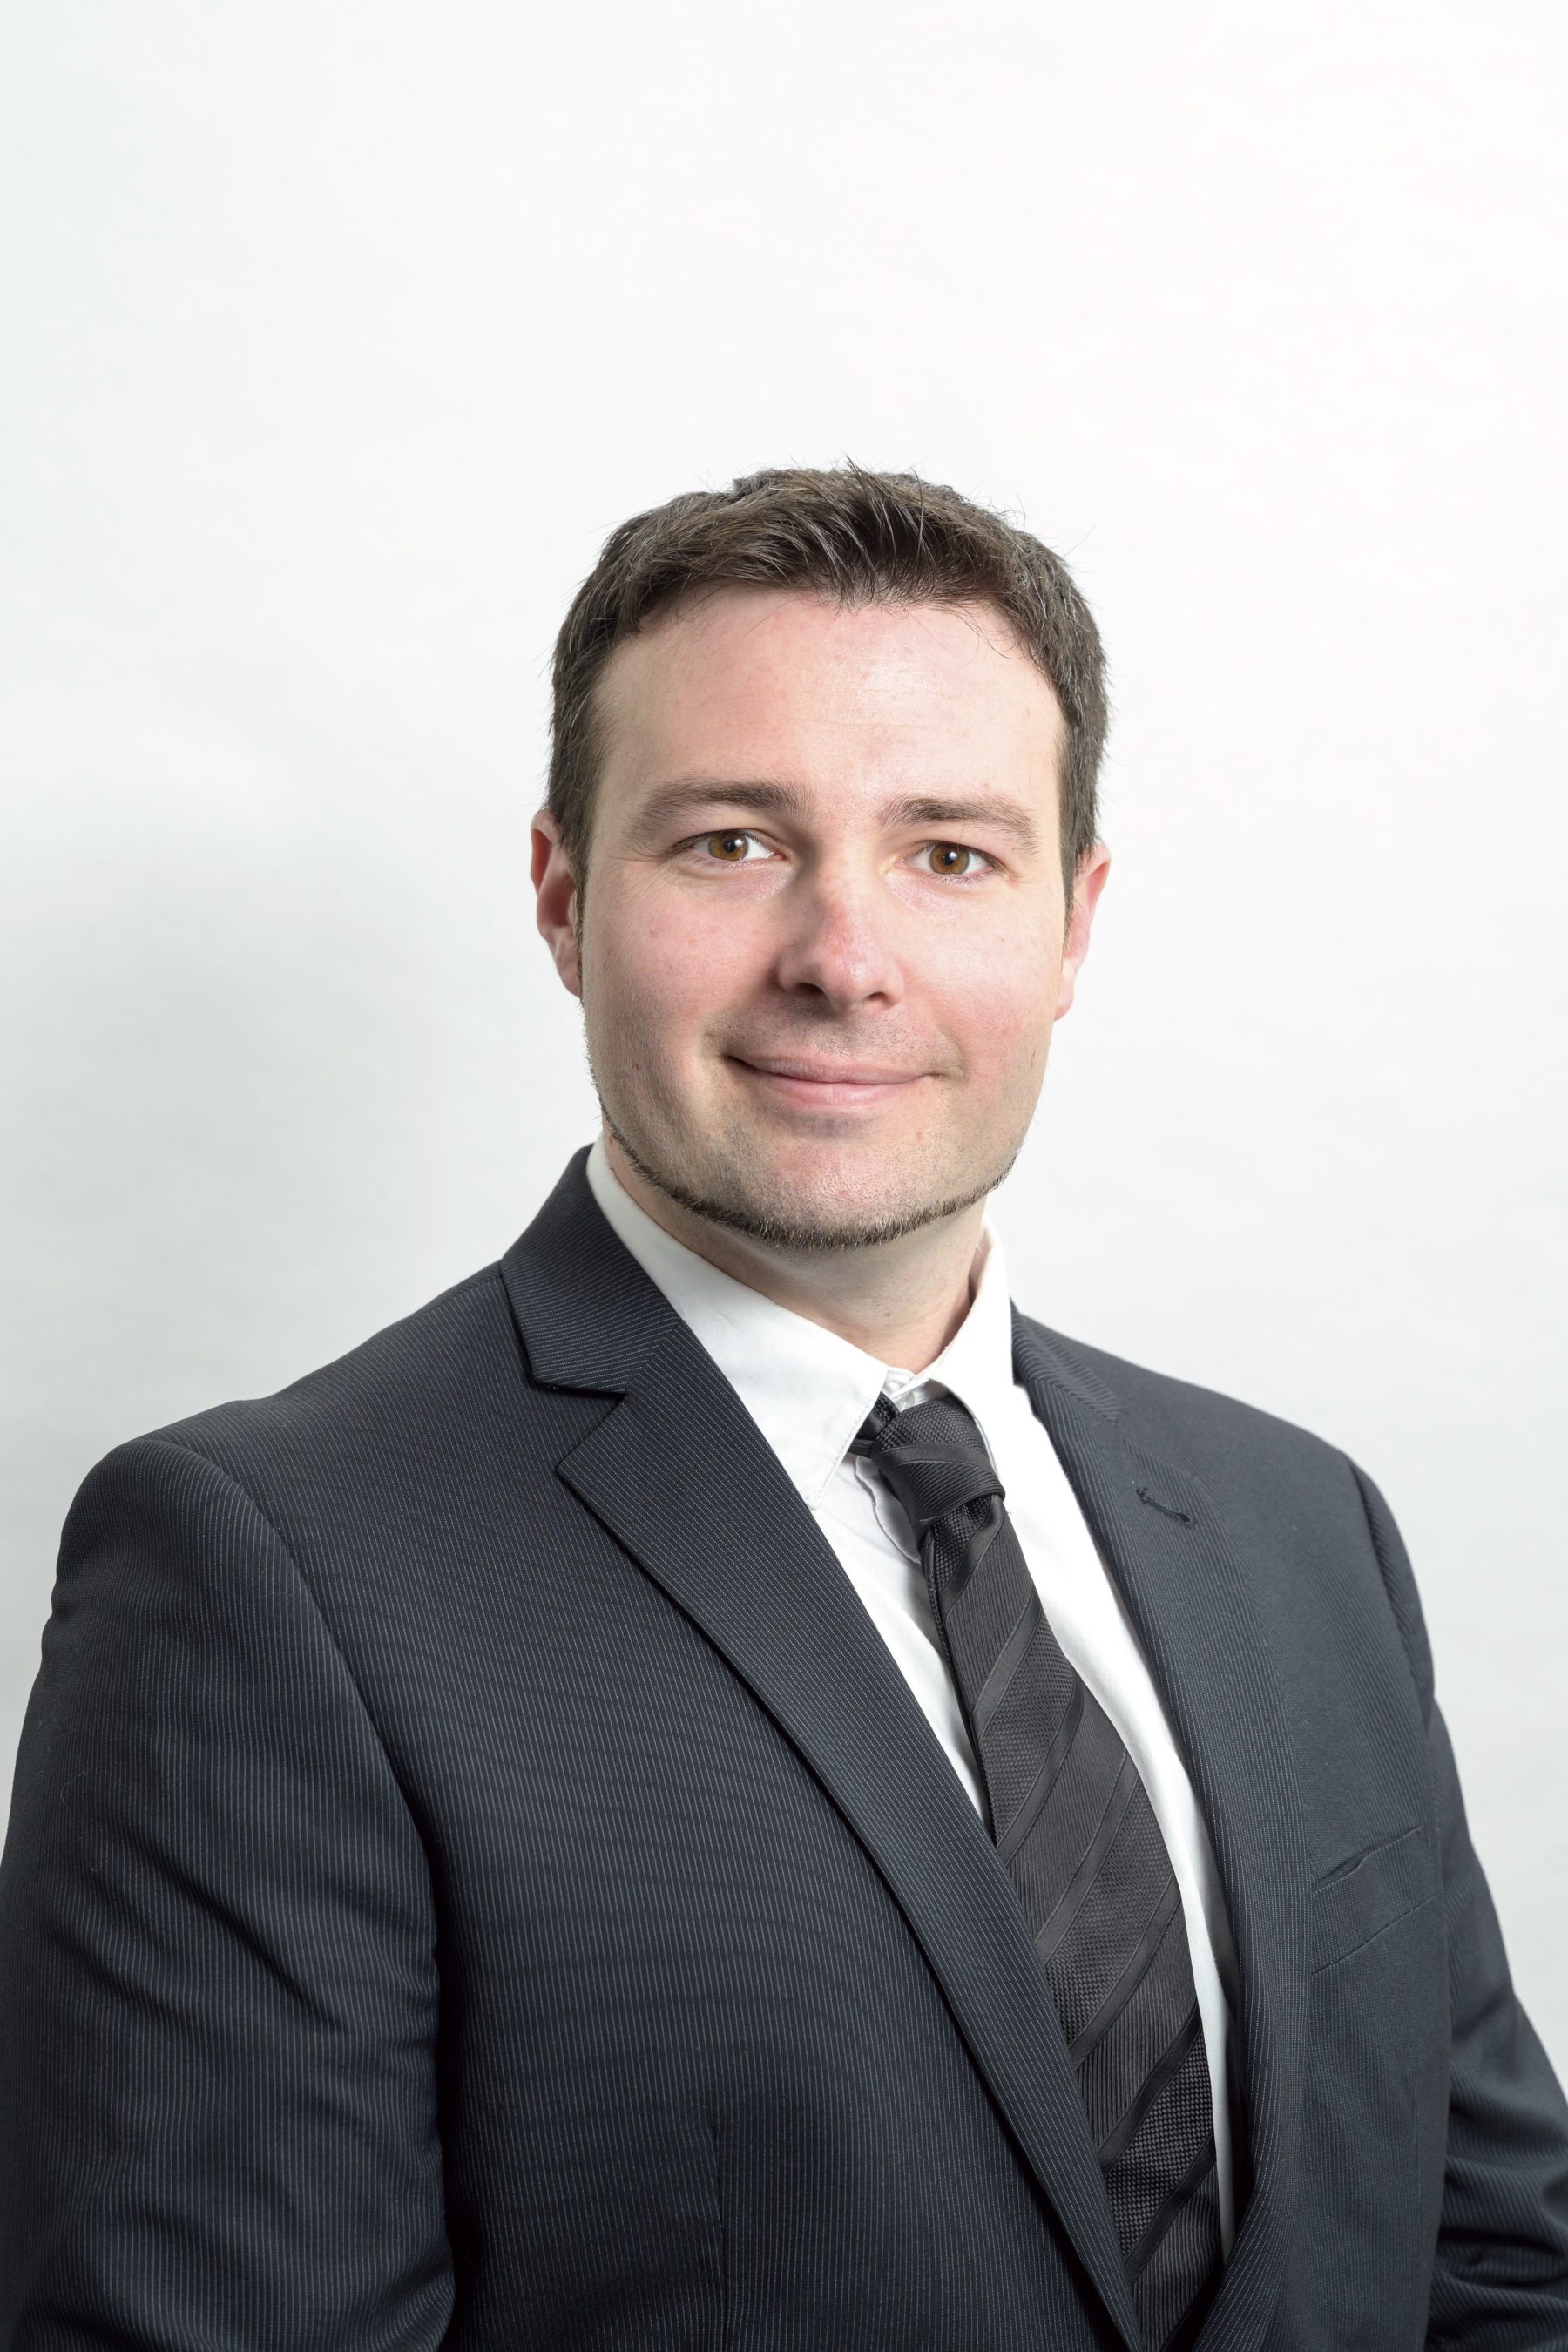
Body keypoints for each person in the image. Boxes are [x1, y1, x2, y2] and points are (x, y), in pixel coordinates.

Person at [2, 464, 1565, 2352]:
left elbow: (1496, 2268)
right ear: (564, 897)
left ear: (1073, 925)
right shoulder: (267, 1578)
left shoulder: (1302, 1528)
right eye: (734, 842)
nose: (843, 957)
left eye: (949, 854)